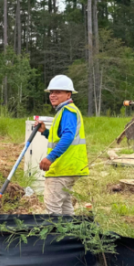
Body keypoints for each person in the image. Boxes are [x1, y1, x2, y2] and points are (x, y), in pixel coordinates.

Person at [37, 76, 89, 216]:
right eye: (51, 92)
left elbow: (68, 137)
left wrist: (51, 157)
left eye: (58, 92)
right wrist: (45, 132)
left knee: (53, 206)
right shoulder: (65, 111)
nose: (53, 95)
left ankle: (57, 236)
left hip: (63, 167)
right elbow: (60, 138)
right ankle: (70, 235)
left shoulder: (68, 111)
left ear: (68, 94)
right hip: (68, 166)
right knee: (65, 206)